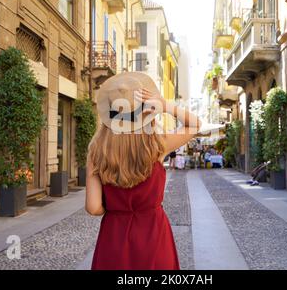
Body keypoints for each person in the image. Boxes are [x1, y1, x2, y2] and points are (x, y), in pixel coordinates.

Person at [86, 72, 201, 270]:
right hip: (153, 234)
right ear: (145, 112)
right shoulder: (157, 146)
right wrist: (164, 105)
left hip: (113, 236)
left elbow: (94, 207)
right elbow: (195, 124)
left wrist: (117, 208)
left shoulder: (95, 151)